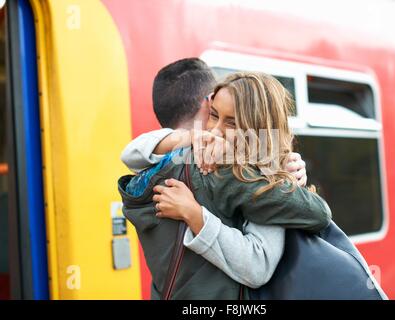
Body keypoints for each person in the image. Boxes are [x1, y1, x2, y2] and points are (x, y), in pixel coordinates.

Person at [118, 60, 332, 299]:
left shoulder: (262, 179)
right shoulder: (200, 153)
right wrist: (193, 137)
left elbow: (257, 266)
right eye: (213, 115)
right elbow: (130, 154)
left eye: (230, 122)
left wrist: (195, 214)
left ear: (257, 126)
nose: (216, 130)